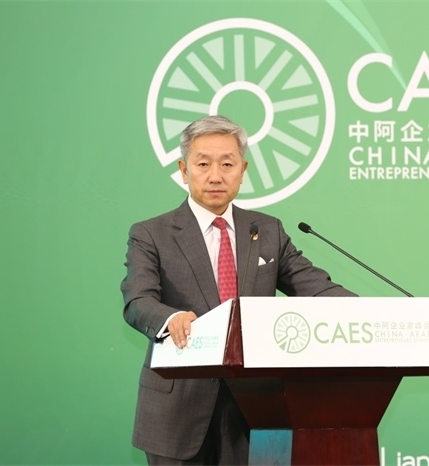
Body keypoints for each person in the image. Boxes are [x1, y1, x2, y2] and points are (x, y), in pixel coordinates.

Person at [121, 115, 356, 465]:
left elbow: (317, 290)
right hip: (178, 408)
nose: (216, 175)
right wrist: (171, 319)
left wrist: (371, 314)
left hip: (255, 408)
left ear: (242, 170)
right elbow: (138, 300)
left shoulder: (267, 231)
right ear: (184, 170)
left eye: (227, 164)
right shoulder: (151, 233)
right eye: (203, 164)